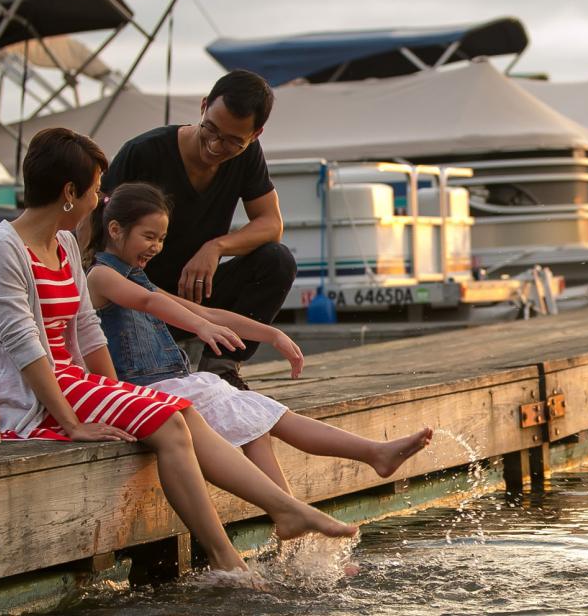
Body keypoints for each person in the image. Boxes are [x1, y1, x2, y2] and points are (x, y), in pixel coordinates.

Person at [0, 127, 355, 573]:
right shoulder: (2, 249)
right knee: (171, 421)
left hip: (73, 382)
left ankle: (279, 515)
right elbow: (25, 347)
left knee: (179, 411)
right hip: (31, 393)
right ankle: (228, 557)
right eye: (95, 190)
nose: (99, 200)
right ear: (69, 192)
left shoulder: (64, 244)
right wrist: (76, 424)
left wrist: (117, 399)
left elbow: (87, 329)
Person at [85, 181, 433, 492]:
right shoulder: (101, 276)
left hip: (174, 384)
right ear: (115, 230)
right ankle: (361, 463)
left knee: (262, 415)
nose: (157, 247)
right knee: (254, 417)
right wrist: (200, 328)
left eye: (162, 239)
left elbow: (208, 312)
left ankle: (310, 502)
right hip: (148, 392)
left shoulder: (136, 277)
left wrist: (270, 334)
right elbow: (151, 304)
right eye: (149, 237)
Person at [102, 70, 291, 384]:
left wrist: (215, 247)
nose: (216, 146)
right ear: (203, 106)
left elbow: (272, 223)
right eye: (211, 130)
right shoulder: (143, 153)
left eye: (233, 141)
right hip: (136, 295)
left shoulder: (247, 157)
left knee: (277, 260)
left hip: (197, 291)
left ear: (255, 135)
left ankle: (222, 367)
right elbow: (94, 233)